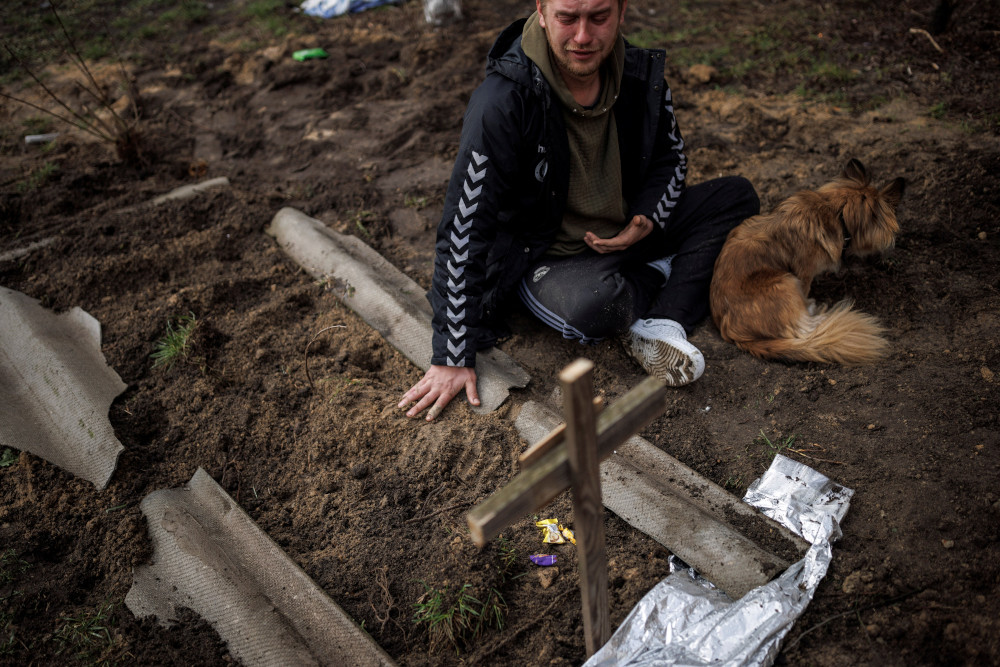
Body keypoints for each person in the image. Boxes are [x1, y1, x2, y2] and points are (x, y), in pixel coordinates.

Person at [399, 0, 760, 421]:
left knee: (736, 196)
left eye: (599, 17)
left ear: (622, 11)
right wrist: (451, 353)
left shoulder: (641, 74)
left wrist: (645, 218)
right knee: (594, 309)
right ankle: (663, 271)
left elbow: (670, 159)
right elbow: (464, 225)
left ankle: (664, 321)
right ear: (542, 11)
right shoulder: (502, 101)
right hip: (549, 257)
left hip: (628, 231)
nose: (584, 37)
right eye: (568, 18)